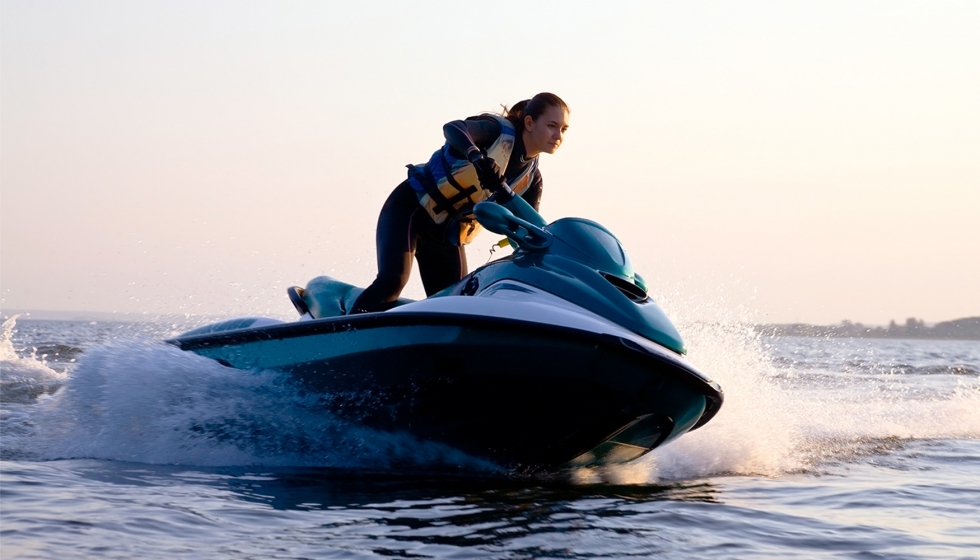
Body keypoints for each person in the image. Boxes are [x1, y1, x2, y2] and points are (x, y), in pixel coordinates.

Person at [349, 92, 570, 314]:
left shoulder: (531, 179)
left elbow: (528, 231)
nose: (558, 135)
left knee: (456, 306)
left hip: (446, 235)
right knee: (392, 282)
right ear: (529, 123)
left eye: (563, 129)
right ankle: (342, 334)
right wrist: (478, 159)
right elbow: (452, 128)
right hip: (411, 208)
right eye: (552, 125)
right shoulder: (497, 132)